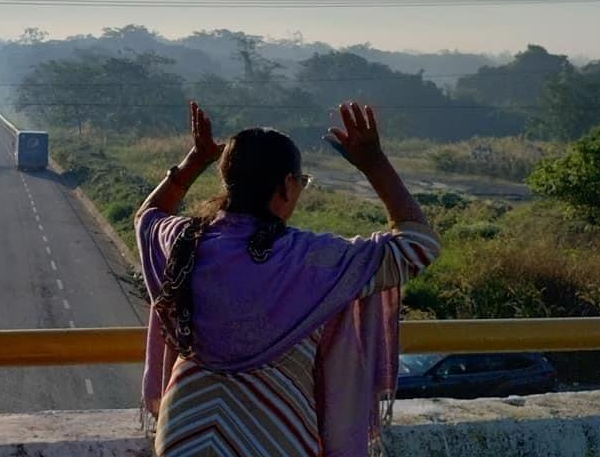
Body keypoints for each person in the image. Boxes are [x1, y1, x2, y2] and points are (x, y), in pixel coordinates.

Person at [137, 102, 441, 457]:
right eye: (302, 183)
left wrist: (193, 161)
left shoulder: (184, 241)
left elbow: (147, 217)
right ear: (286, 186)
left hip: (183, 432)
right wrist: (374, 163)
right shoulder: (315, 259)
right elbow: (419, 245)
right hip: (274, 436)